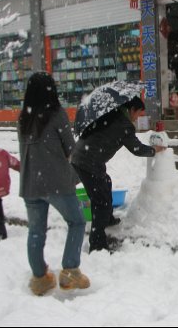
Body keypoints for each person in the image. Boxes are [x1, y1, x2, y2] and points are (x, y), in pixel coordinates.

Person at [18, 72, 90, 296]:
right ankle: (69, 271)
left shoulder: (24, 117)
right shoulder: (56, 114)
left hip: (30, 183)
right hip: (56, 181)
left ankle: (40, 278)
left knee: (36, 231)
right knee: (77, 222)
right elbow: (71, 148)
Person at [71, 96, 166, 253]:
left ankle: (107, 218)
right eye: (138, 114)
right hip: (89, 162)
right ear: (132, 110)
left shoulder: (112, 114)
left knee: (105, 182)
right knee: (100, 201)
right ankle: (97, 244)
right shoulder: (124, 124)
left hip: (84, 156)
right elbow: (137, 149)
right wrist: (153, 150)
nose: (138, 118)